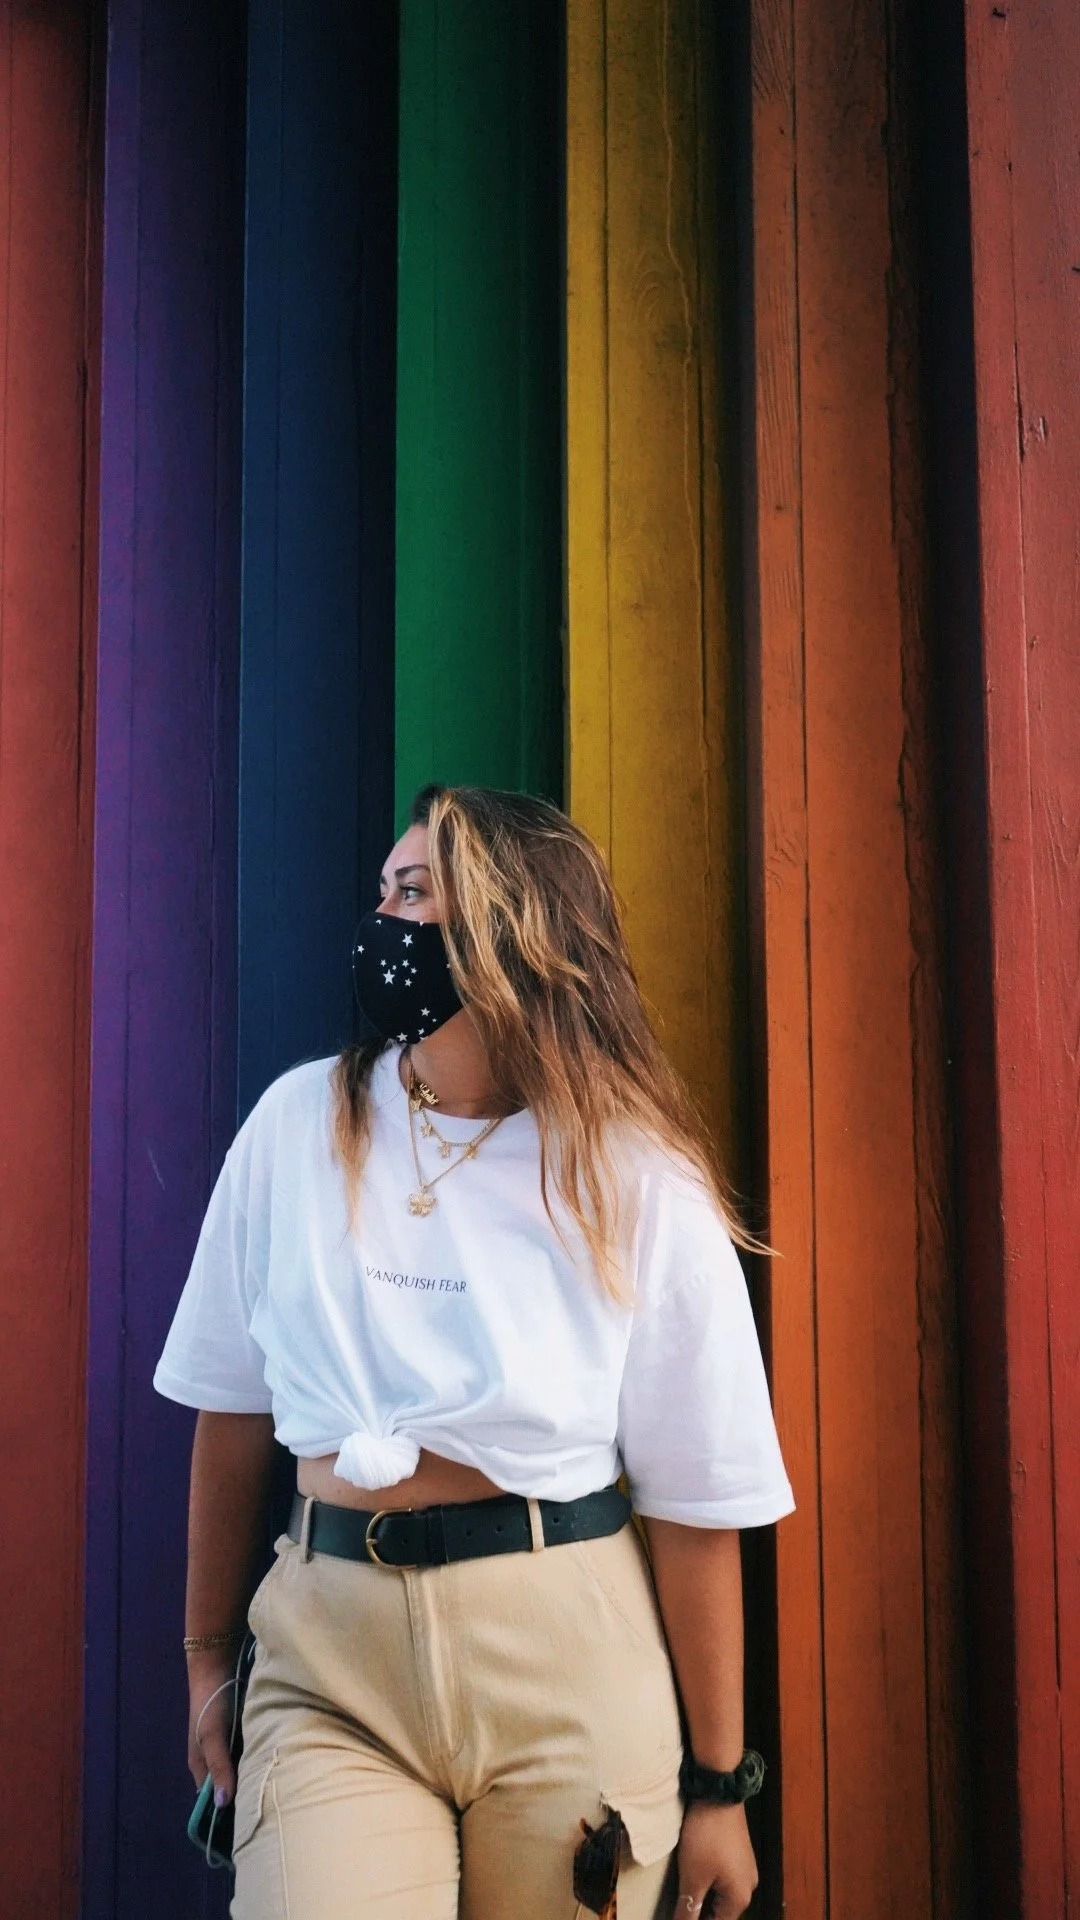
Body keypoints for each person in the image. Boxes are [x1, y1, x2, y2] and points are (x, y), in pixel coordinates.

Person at [154, 783, 794, 1920]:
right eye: (384, 893)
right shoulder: (297, 1128)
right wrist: (208, 1658)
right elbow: (231, 1410)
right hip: (329, 1661)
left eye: (416, 895)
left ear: (513, 931)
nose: (383, 925)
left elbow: (702, 1503)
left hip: (566, 1661)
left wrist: (719, 1788)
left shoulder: (636, 1178)